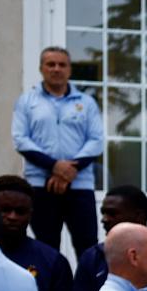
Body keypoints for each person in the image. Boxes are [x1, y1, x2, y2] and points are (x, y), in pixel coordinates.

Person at [13, 45, 104, 262]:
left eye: (62, 64)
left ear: (70, 70)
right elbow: (21, 139)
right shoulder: (27, 102)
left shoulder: (86, 103)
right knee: (46, 248)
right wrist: (55, 167)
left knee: (87, 247)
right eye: (50, 64)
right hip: (41, 185)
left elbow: (96, 141)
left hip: (80, 184)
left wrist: (69, 171)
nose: (56, 69)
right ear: (41, 68)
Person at [71, 185, 147, 291]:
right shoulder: (92, 258)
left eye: (112, 213)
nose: (104, 219)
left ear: (138, 216)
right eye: (103, 213)